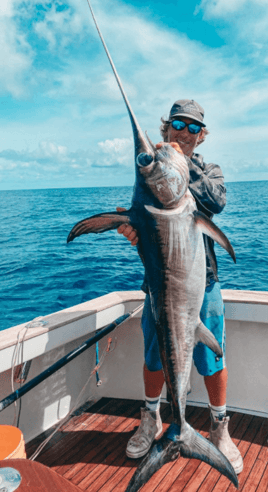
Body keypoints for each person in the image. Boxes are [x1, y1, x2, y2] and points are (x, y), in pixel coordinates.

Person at [117, 99, 243, 474]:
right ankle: (153, 417)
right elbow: (141, 219)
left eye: (193, 127)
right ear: (166, 127)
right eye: (178, 124)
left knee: (211, 357)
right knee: (155, 356)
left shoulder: (209, 172)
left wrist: (178, 168)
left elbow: (216, 202)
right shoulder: (152, 174)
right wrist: (130, 229)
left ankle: (219, 428)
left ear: (201, 136)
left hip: (202, 284)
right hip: (159, 286)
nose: (184, 132)